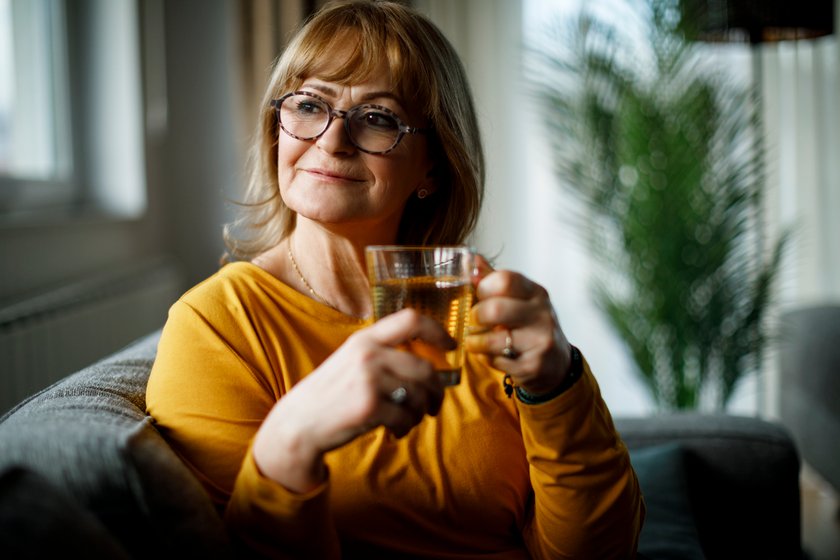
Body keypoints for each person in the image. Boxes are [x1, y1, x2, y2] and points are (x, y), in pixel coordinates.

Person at [146, 1, 644, 558]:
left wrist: (558, 383)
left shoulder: (490, 316)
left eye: (378, 118)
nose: (332, 141)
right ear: (276, 129)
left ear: (434, 166)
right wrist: (293, 441)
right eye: (309, 105)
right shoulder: (217, 325)